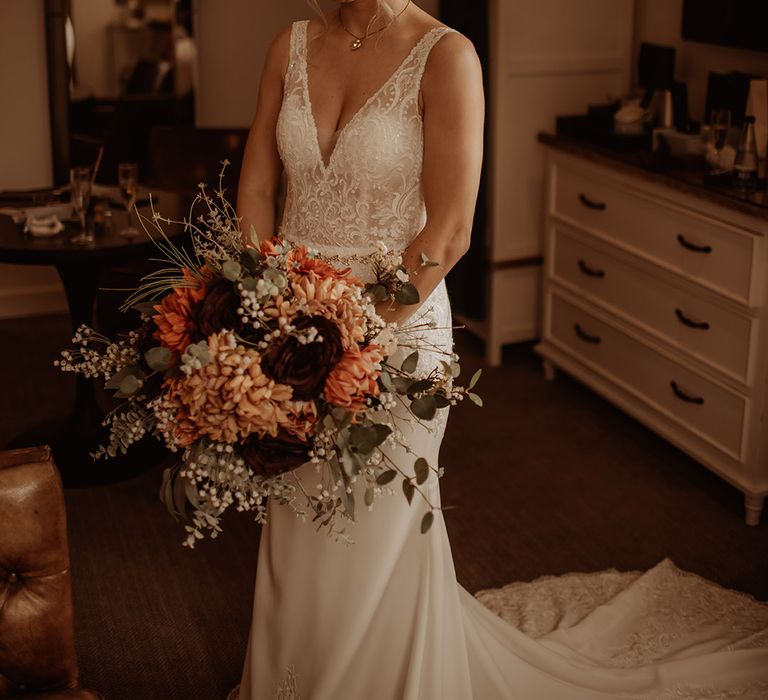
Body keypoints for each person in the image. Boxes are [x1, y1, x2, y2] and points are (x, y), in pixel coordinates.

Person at [233, 1, 768, 698]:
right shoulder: (290, 45)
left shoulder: (447, 55)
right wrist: (259, 308)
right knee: (299, 519)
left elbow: (450, 231)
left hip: (395, 336)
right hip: (290, 331)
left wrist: (349, 339)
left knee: (374, 533)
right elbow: (257, 185)